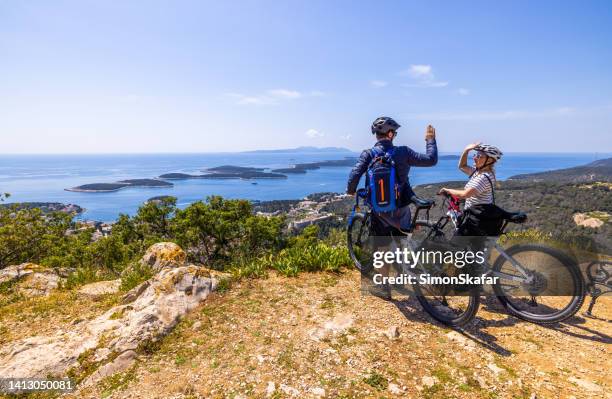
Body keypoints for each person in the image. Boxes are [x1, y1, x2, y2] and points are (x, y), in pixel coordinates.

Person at [347, 117, 438, 233]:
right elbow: (431, 160)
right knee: (403, 241)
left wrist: (351, 190)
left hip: (378, 209)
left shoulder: (368, 154)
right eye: (394, 133)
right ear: (390, 134)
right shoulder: (404, 152)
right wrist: (430, 139)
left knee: (380, 247)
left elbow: (355, 174)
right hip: (401, 207)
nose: (395, 135)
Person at [439, 143, 502, 210]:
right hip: (474, 212)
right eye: (475, 155)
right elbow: (462, 166)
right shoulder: (478, 172)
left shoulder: (483, 177)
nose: (474, 158)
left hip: (477, 216)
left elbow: (465, 194)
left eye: (479, 156)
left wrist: (447, 190)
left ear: (489, 160)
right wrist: (466, 150)